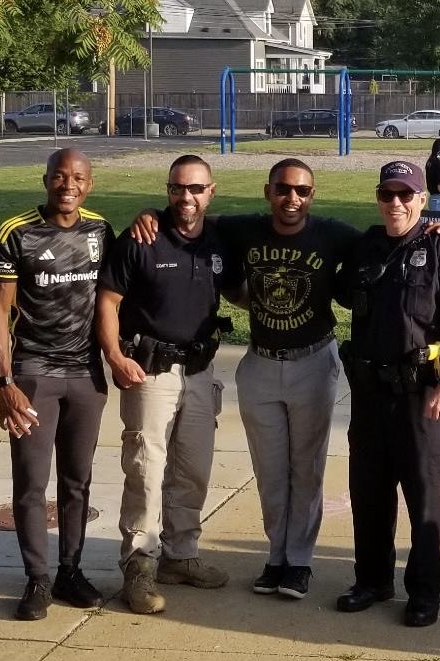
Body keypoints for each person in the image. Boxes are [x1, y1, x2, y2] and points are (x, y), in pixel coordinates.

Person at [131, 158, 360, 600]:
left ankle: (299, 562)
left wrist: (434, 228)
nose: (291, 198)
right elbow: (192, 212)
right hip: (259, 363)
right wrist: (149, 213)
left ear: (313, 195)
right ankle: (276, 557)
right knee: (270, 470)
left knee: (306, 469)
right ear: (268, 191)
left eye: (302, 191)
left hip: (313, 361)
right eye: (282, 189)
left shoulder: (332, 234)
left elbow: (384, 240)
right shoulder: (246, 229)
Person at [334, 161, 440, 627]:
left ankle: (423, 592)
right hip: (370, 394)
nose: (395, 203)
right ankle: (374, 580)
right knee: (369, 494)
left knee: (423, 499)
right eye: (387, 194)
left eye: (406, 195)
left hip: (423, 395)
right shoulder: (365, 247)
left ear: (423, 199)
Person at [97, 155, 239, 614]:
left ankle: (180, 555)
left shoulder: (218, 240)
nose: (186, 198)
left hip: (200, 371)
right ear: (167, 190)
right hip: (150, 370)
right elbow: (108, 301)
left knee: (192, 470)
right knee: (145, 470)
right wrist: (115, 356)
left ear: (211, 191)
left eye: (196, 189)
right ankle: (138, 566)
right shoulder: (143, 238)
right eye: (178, 188)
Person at [0, 148, 114, 620]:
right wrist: (5, 381)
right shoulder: (15, 232)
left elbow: (116, 291)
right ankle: (37, 579)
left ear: (90, 184)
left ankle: (70, 571)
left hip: (86, 374)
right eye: (60, 177)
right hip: (34, 373)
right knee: (31, 482)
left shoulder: (100, 230)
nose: (69, 185)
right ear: (46, 181)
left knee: (77, 481)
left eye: (78, 178)